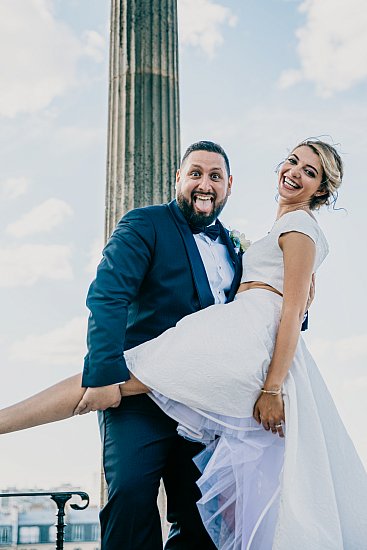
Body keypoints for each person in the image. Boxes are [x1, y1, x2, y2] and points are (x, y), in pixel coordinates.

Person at [1, 139, 366, 549]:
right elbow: (108, 296)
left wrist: (273, 383)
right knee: (131, 487)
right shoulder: (147, 224)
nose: (205, 183)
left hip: (217, 377)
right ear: (178, 178)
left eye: (310, 171)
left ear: (230, 184)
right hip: (170, 381)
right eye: (195, 173)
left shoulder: (260, 236)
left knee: (202, 516)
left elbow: (286, 306)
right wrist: (103, 371)